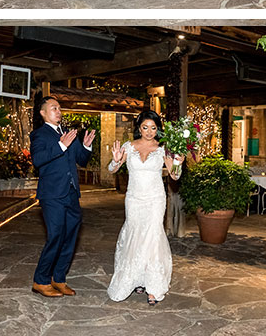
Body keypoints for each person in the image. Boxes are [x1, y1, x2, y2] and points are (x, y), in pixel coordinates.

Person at [106, 110, 181, 306]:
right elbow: (112, 169)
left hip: (155, 199)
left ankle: (153, 286)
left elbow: (174, 176)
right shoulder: (128, 147)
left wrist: (178, 163)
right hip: (134, 199)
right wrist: (115, 160)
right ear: (139, 128)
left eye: (153, 128)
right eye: (145, 127)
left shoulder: (164, 149)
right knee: (135, 235)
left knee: (153, 236)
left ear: (158, 129)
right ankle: (136, 278)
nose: (149, 132)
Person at [29, 94, 96, 298]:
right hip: (52, 195)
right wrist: (61, 146)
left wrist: (85, 146)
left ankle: (58, 278)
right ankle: (40, 280)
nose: (58, 111)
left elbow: (81, 161)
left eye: (59, 108)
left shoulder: (68, 133)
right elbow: (38, 160)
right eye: (54, 108)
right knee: (56, 236)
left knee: (70, 237)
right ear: (43, 113)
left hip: (71, 193)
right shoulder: (39, 135)